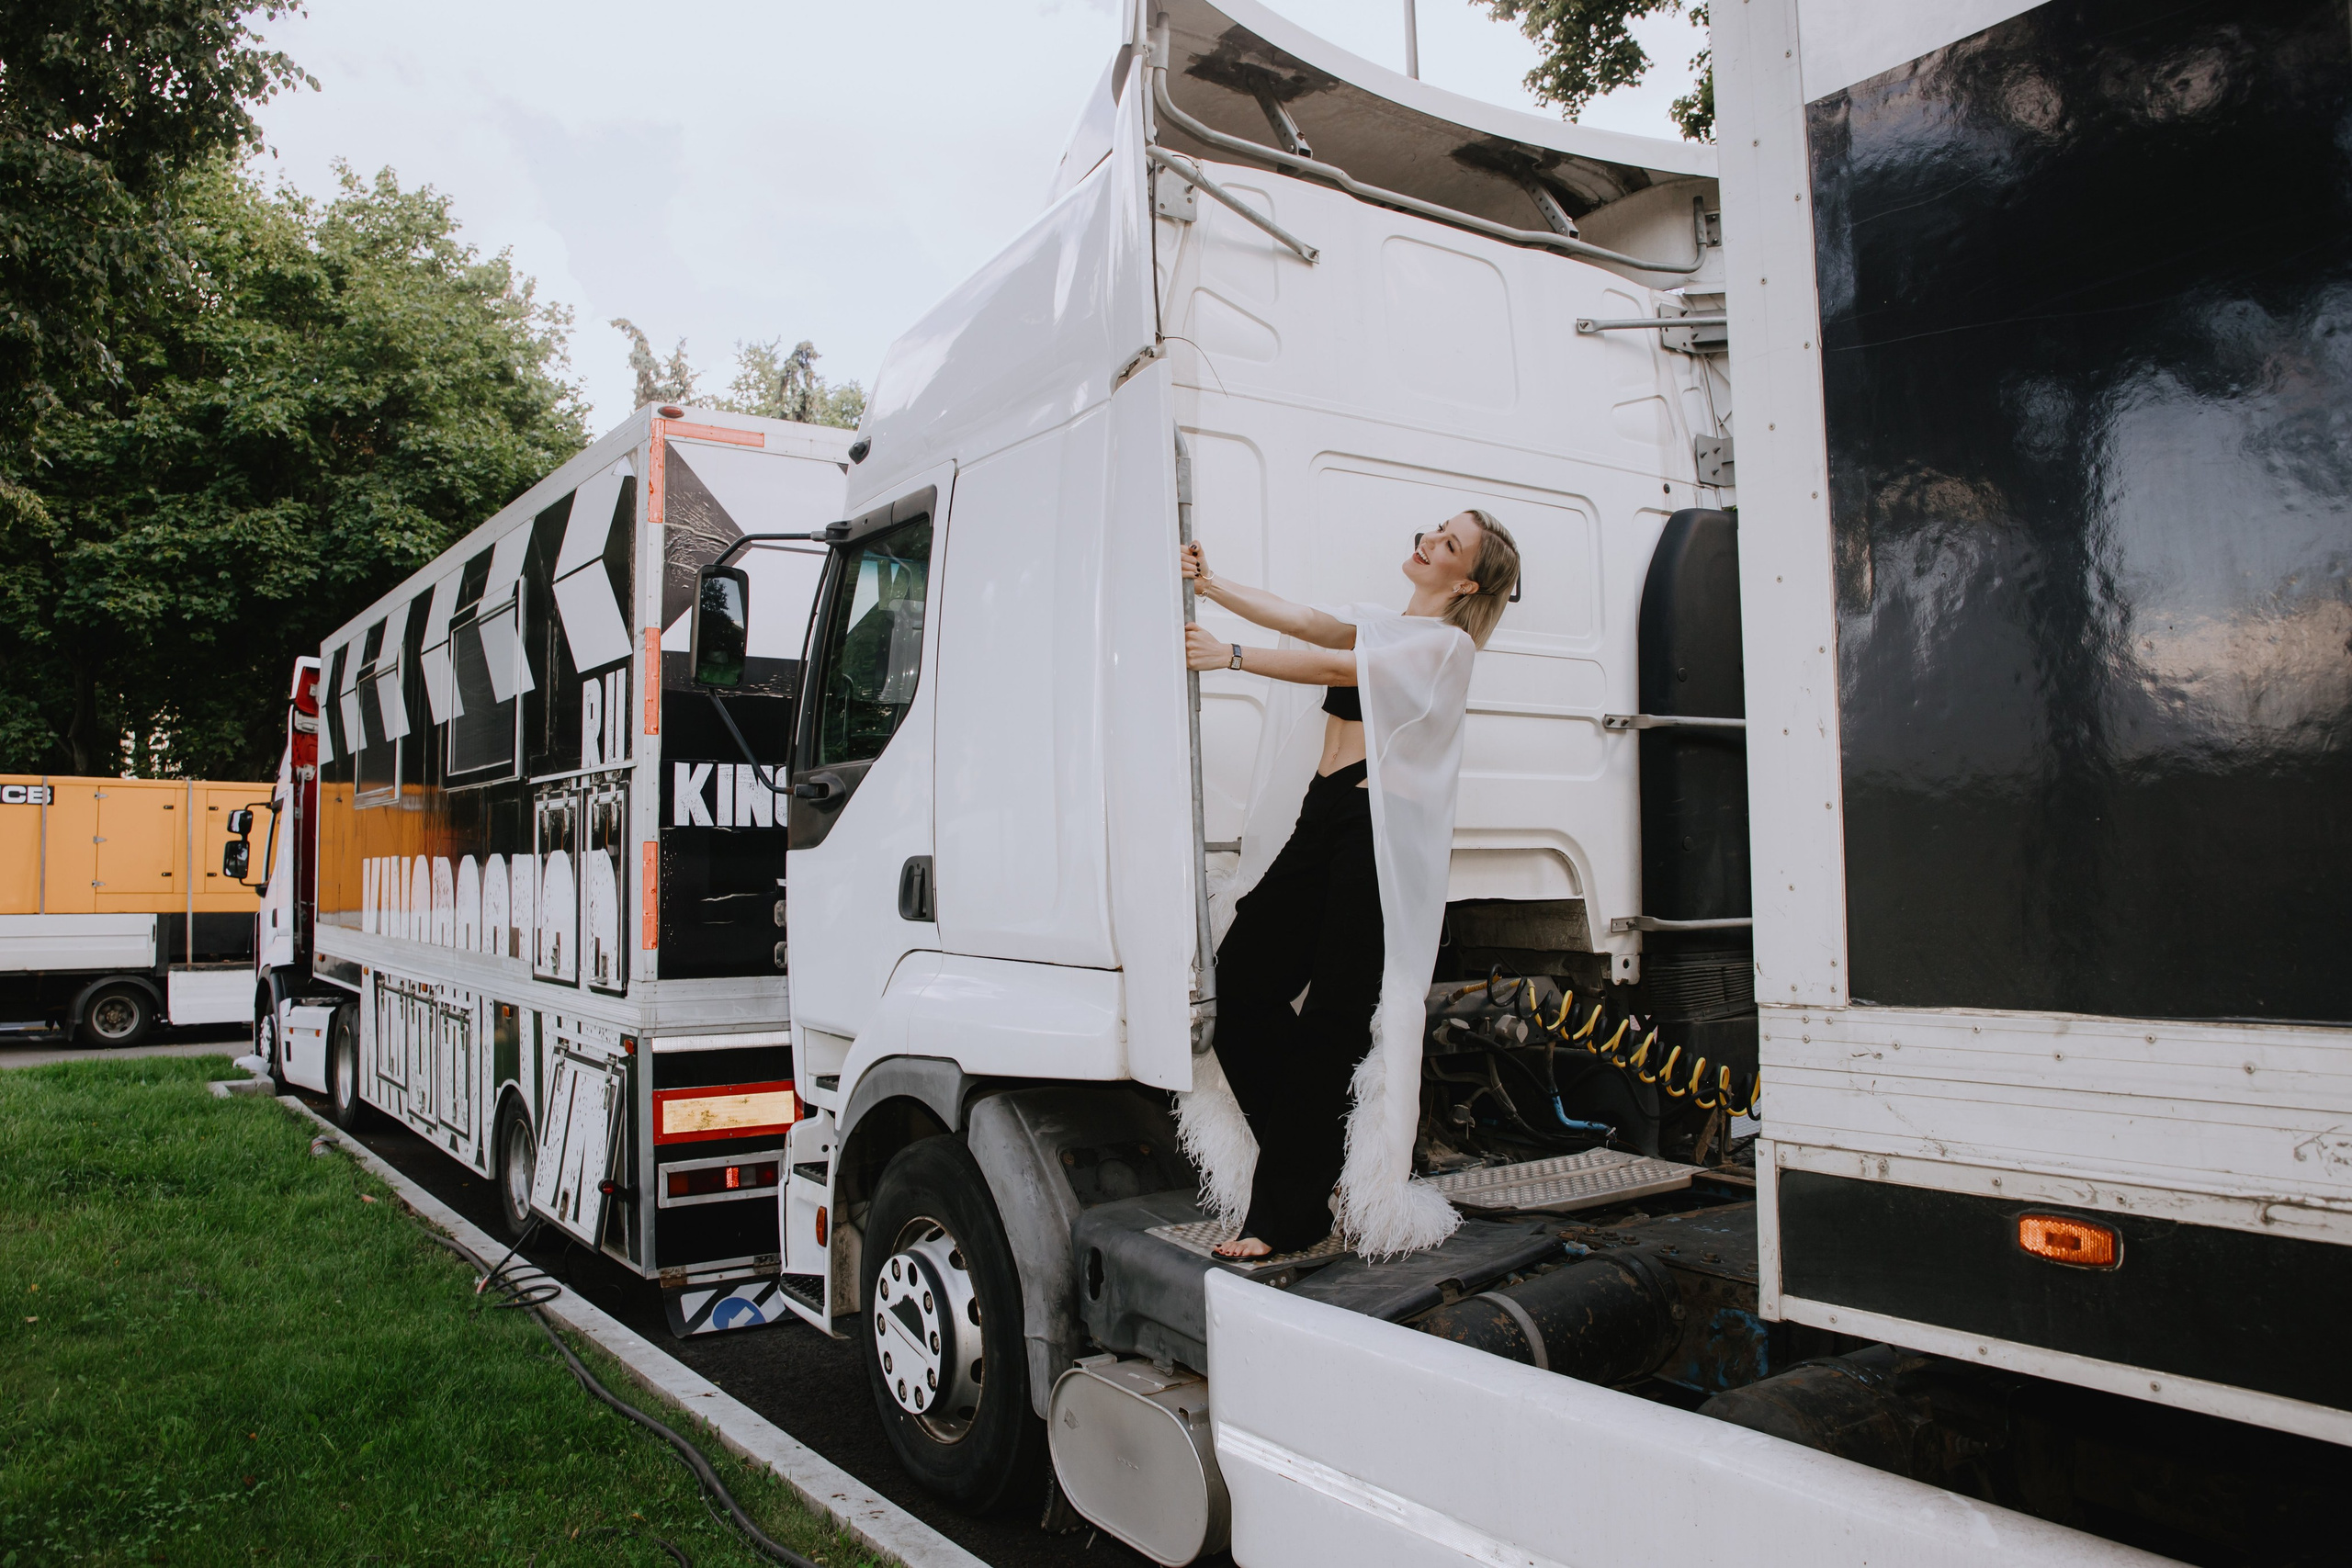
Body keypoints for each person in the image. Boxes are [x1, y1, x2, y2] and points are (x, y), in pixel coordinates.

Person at [1180, 510, 1521, 1259]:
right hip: (1323, 813)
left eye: (1449, 543)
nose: (1428, 539)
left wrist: (1229, 656)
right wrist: (1212, 585)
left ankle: (1285, 1215)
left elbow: (1342, 671)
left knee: (1333, 1017)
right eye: (1436, 529)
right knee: (1243, 978)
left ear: (1464, 580)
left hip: (1377, 824)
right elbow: (1307, 622)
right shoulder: (1384, 624)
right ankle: (1315, 1173)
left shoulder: (1447, 645)